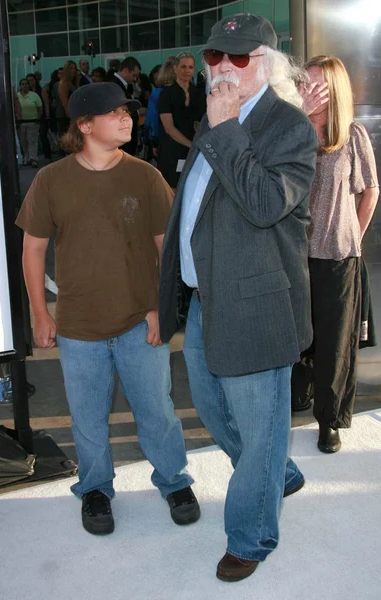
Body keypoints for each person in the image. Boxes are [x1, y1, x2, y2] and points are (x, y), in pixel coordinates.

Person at [159, 13, 318, 582]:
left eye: (240, 57)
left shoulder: (288, 126)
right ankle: (279, 471)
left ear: (267, 65)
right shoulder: (213, 120)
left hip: (256, 306)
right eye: (213, 57)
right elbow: (196, 210)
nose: (223, 66)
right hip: (206, 301)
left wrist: (227, 130)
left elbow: (264, 204)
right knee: (215, 413)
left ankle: (251, 536)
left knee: (257, 430)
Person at [15, 82, 200, 536]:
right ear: (83, 125)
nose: (127, 119)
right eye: (115, 112)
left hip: (140, 322)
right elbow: (33, 250)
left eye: (128, 112)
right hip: (78, 329)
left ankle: (174, 480)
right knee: (88, 417)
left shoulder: (145, 176)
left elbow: (166, 251)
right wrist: (41, 313)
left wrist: (162, 308)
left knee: (157, 409)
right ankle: (95, 489)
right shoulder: (51, 180)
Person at [291, 56, 379, 451]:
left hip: (338, 255)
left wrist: (355, 236)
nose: (309, 89)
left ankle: (329, 420)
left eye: (317, 83)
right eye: (304, 82)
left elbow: (370, 190)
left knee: (335, 341)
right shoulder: (290, 133)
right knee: (296, 334)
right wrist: (298, 118)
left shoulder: (352, 135)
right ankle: (299, 390)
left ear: (335, 87)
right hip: (291, 253)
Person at [157, 52, 206, 190]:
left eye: (190, 67)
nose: (187, 70)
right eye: (183, 66)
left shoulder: (199, 95)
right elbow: (169, 128)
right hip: (172, 152)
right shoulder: (166, 94)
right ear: (175, 68)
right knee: (172, 193)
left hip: (194, 152)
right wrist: (191, 145)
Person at [144, 60, 176, 159]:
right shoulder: (189, 91)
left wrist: (154, 142)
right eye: (154, 79)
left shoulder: (157, 94)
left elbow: (152, 120)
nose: (157, 81)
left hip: (164, 141)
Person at [112, 57, 141, 156]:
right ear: (125, 70)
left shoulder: (123, 85)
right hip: (122, 137)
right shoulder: (115, 85)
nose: (134, 79)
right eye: (134, 75)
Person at [17, 78, 43, 167]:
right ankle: (26, 158)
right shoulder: (17, 96)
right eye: (22, 84)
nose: (24, 86)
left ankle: (33, 159)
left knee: (32, 141)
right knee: (24, 142)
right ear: (20, 86)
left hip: (33, 122)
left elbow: (40, 108)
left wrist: (38, 119)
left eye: (26, 84)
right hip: (22, 123)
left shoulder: (34, 95)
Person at [55, 60, 79, 144]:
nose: (73, 70)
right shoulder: (63, 83)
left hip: (72, 114)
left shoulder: (72, 83)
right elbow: (64, 102)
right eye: (71, 68)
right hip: (65, 115)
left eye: (74, 68)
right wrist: (70, 118)